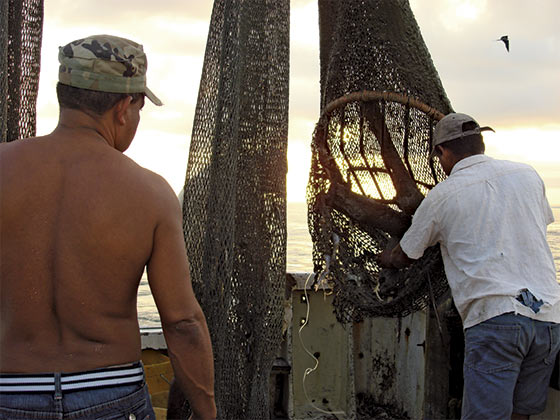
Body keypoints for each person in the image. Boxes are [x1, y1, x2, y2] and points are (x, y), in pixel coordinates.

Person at [0, 35, 217, 420]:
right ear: (122, 107)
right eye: (138, 109)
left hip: (10, 392)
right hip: (109, 393)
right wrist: (207, 413)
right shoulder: (150, 192)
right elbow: (182, 322)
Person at [378, 112, 560, 420]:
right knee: (521, 415)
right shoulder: (528, 175)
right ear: (482, 144)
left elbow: (407, 254)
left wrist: (384, 257)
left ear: (441, 152)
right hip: (549, 319)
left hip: (495, 318)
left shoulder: (442, 195)